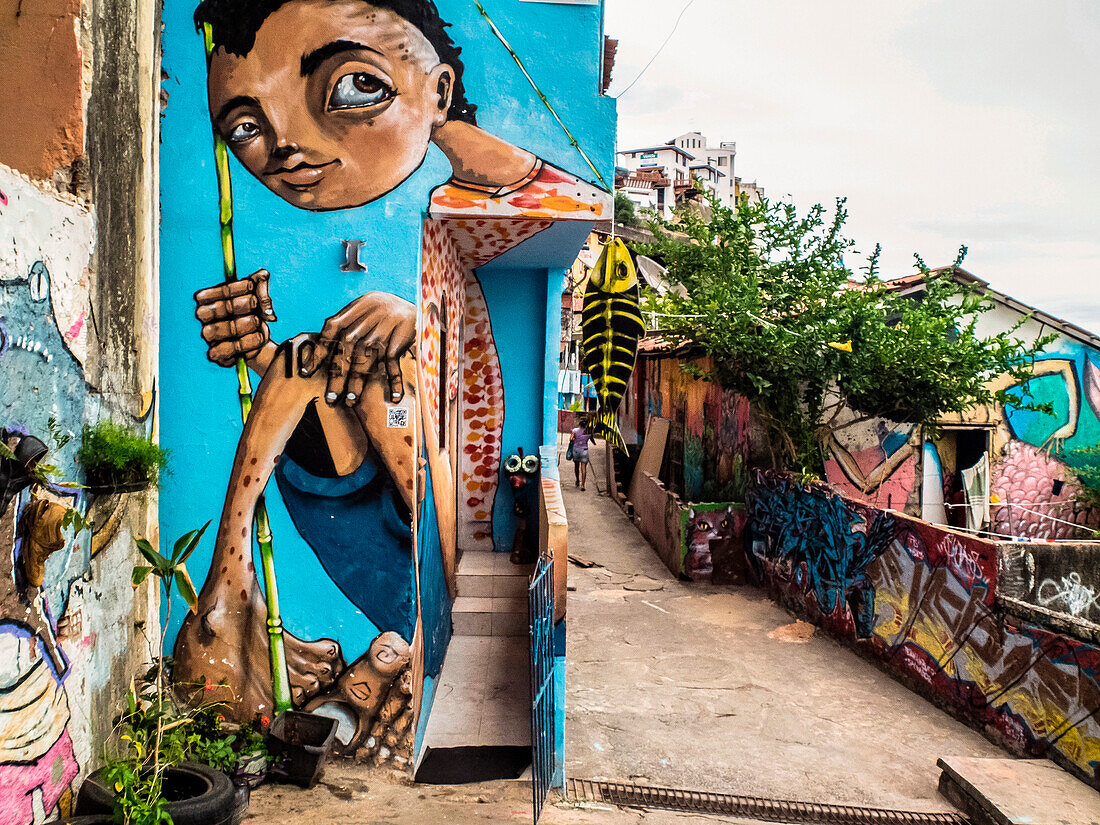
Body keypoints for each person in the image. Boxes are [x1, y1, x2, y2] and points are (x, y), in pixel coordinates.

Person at [174, 0, 606, 722]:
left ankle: (428, 622)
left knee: (363, 370)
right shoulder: (430, 221)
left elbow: (562, 212)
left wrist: (418, 325)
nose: (288, 148)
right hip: (367, 514)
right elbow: (319, 378)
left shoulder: (485, 205)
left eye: (353, 87)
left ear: (437, 88)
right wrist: (259, 352)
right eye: (247, 127)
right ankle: (228, 593)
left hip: (423, 530)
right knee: (317, 361)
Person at [569, 418, 595, 491]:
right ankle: (583, 485)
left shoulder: (575, 430)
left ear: (579, 424)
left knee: (576, 466)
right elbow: (592, 440)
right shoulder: (588, 432)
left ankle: (577, 480)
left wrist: (575, 439)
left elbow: (571, 439)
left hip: (576, 450)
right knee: (583, 468)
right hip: (584, 451)